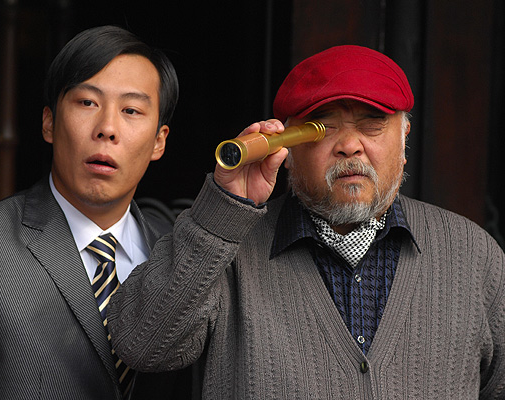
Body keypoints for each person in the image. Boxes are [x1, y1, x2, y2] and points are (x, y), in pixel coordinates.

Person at [108, 45, 505, 399]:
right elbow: (143, 346)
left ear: (404, 139)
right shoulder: (227, 249)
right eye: (323, 126)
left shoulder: (473, 255)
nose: (349, 145)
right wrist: (223, 211)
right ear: (288, 148)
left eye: (372, 122)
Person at [0, 25, 191, 400]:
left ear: (159, 141)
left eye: (131, 110)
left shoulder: (178, 254)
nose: (107, 128)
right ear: (49, 122)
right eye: (87, 103)